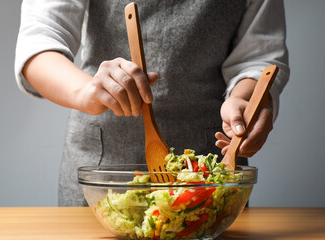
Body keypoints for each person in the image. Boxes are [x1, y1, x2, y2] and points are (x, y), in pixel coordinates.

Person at [15, 0, 289, 206]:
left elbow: (258, 56)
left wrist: (246, 100)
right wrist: (88, 91)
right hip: (99, 174)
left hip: (210, 176)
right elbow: (39, 41)